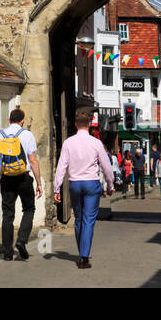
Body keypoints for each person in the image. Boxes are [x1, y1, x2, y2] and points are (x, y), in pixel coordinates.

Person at [53, 106, 120, 269]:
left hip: (75, 184)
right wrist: (110, 185)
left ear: (75, 125)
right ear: (89, 124)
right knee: (89, 220)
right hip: (91, 183)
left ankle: (81, 250)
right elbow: (106, 167)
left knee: (79, 218)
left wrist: (57, 188)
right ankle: (84, 256)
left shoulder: (68, 143)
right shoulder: (96, 143)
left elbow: (61, 166)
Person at [0, 107, 43, 261]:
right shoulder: (27, 135)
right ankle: (21, 240)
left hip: (6, 178)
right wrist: (39, 183)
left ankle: (7, 253)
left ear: (9, 120)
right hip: (23, 177)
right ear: (22, 121)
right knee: (29, 208)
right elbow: (33, 160)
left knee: (7, 214)